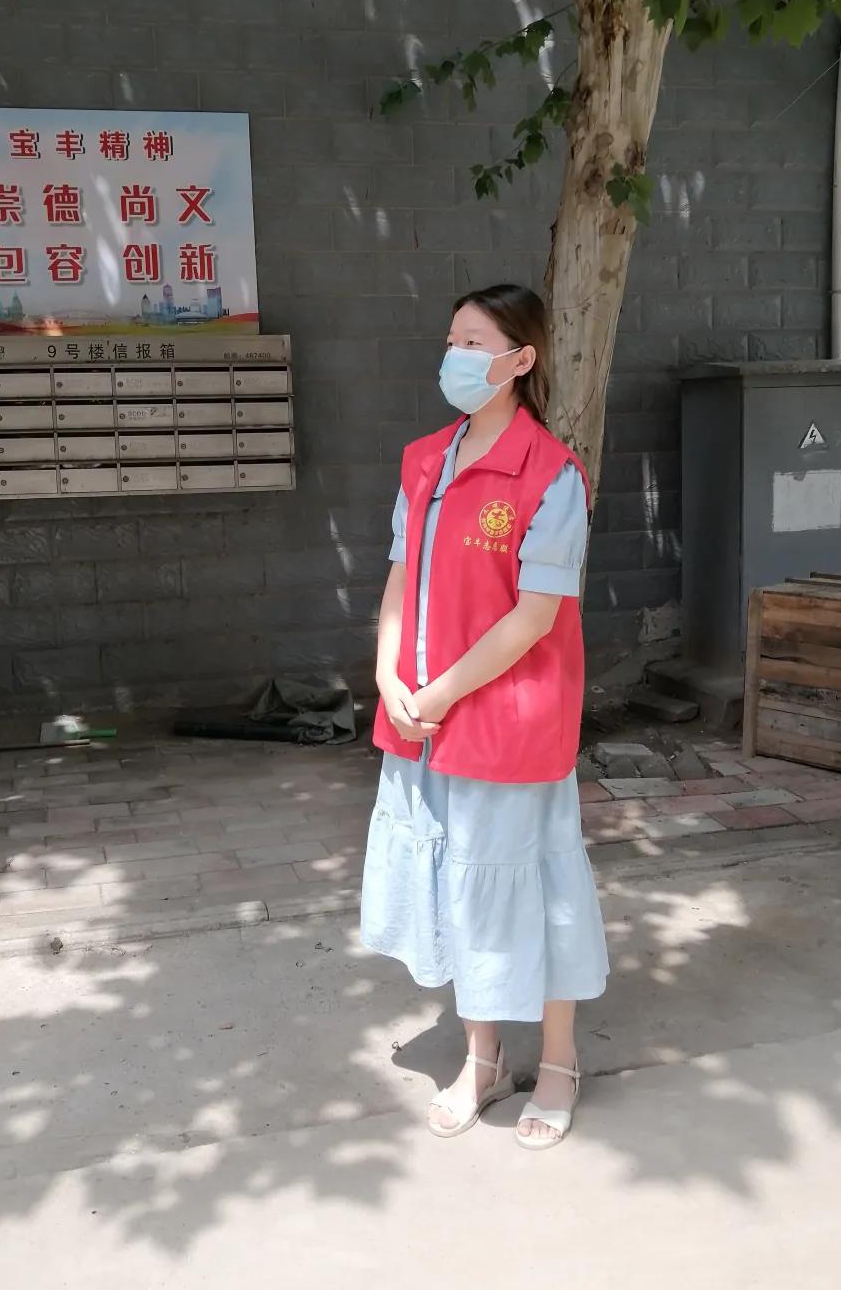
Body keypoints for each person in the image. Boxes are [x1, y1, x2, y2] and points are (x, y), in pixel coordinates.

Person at [361, 283, 609, 1149]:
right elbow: (400, 577)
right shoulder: (424, 460)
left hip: (507, 718)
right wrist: (388, 673)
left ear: (519, 359)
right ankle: (483, 1059)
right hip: (424, 718)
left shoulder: (551, 474)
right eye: (452, 339)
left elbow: (534, 617)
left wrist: (437, 693)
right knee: (460, 889)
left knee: (533, 887)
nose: (455, 356)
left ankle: (561, 1062)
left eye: (473, 342)